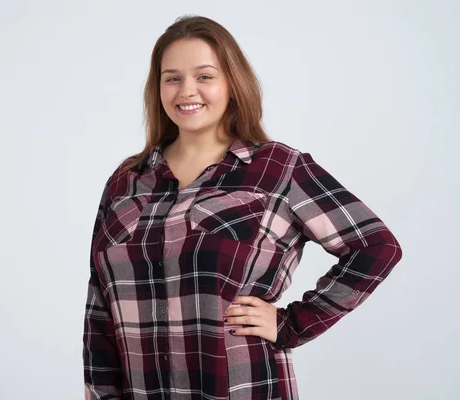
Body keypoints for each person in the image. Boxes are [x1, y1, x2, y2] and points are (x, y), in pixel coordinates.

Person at [82, 14, 403, 400]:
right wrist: (99, 391)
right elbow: (100, 302)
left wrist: (291, 324)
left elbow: (376, 247)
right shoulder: (127, 181)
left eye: (204, 76)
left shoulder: (279, 169)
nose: (187, 91)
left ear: (232, 83)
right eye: (173, 78)